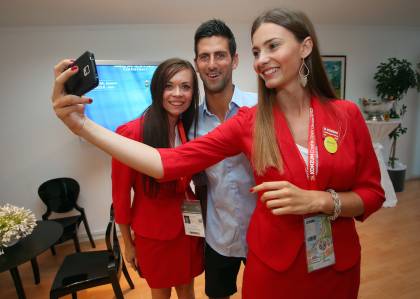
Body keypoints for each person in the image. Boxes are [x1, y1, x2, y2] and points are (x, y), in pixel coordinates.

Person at [51, 8, 385, 299]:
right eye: (257, 51)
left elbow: (372, 194)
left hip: (336, 266)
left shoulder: (346, 115)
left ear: (306, 47)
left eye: (273, 46)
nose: (263, 59)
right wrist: (81, 126)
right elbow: (167, 163)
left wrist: (322, 202)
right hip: (272, 267)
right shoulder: (250, 123)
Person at [111, 58, 203, 299]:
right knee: (160, 292)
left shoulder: (186, 127)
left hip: (188, 226)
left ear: (193, 92)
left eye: (186, 87)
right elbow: (120, 195)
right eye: (169, 86)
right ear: (157, 89)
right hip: (154, 233)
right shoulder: (131, 133)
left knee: (187, 288)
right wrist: (127, 244)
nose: (177, 94)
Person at [192, 19, 257, 299]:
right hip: (219, 236)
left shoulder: (261, 107)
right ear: (196, 63)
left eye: (220, 55)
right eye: (204, 56)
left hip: (263, 235)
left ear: (235, 60)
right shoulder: (191, 122)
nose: (212, 63)